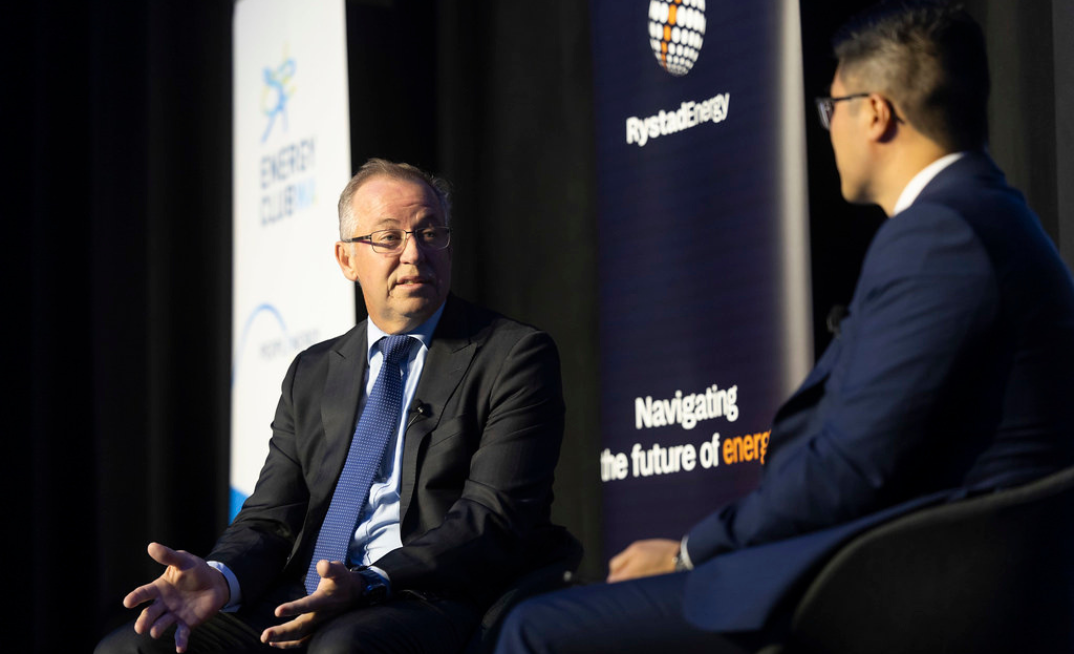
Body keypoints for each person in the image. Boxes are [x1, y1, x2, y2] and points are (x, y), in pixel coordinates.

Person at [494, 2, 1074, 652]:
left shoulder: (941, 236)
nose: (829, 130)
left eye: (833, 109)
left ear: (876, 113)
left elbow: (852, 464)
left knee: (535, 630)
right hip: (922, 564)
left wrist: (692, 551)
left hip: (912, 584)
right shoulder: (984, 216)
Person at [97, 159, 580, 654]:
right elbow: (270, 518)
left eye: (430, 233)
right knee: (129, 648)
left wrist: (370, 580)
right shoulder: (313, 371)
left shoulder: (512, 355)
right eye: (388, 237)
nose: (414, 254)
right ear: (347, 259)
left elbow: (493, 517)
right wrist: (222, 578)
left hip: (425, 596)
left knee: (341, 648)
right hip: (299, 598)